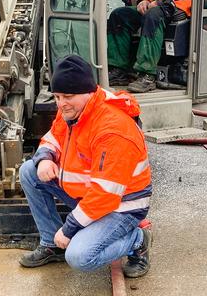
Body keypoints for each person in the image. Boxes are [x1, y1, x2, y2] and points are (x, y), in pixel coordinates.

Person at [19, 54, 153, 278]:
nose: (61, 104)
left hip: (121, 206)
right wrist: (45, 158)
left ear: (88, 93)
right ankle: (51, 244)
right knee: (29, 171)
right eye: (57, 96)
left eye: (67, 96)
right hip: (89, 194)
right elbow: (54, 137)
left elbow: (106, 195)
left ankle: (137, 240)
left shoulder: (112, 129)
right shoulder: (74, 110)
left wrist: (69, 228)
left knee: (80, 257)